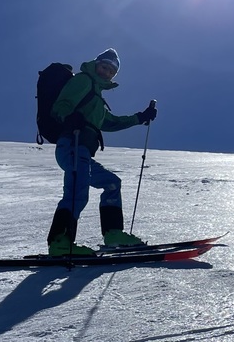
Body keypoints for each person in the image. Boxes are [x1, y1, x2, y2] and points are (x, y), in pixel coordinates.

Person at [45, 48, 158, 256]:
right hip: (72, 144)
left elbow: (111, 122)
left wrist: (140, 117)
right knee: (77, 193)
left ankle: (113, 234)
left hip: (83, 151)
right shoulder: (83, 81)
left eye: (111, 72)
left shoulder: (96, 97)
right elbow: (61, 104)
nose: (107, 73)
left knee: (112, 183)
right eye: (104, 67)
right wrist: (69, 117)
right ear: (96, 64)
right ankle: (60, 242)